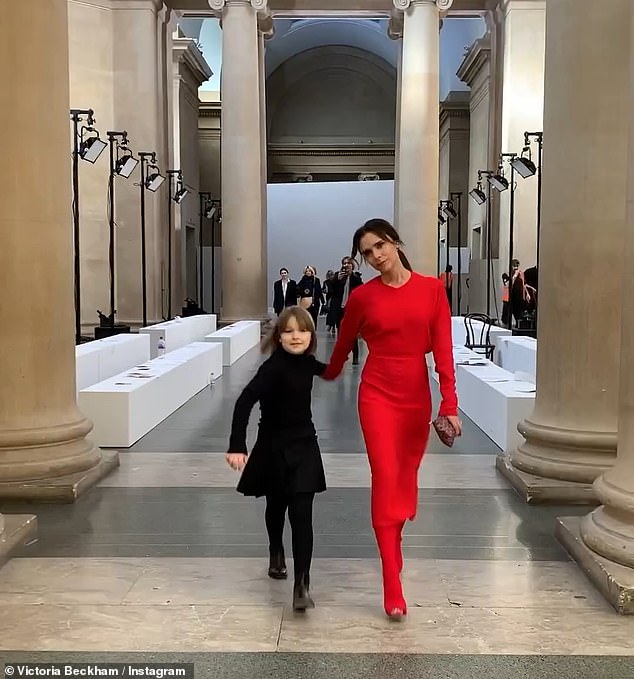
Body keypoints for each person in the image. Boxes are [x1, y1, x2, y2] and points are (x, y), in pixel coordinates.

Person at [322, 219, 461, 620]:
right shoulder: (364, 297)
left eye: (379, 246)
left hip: (416, 396)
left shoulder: (432, 289)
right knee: (384, 476)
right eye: (367, 253)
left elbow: (444, 353)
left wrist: (448, 404)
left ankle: (393, 540)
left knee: (403, 479)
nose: (375, 256)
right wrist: (318, 372)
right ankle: (391, 581)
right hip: (376, 395)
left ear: (395, 242)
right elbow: (344, 345)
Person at [226, 306, 327, 611]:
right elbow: (244, 401)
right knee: (276, 505)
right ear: (279, 336)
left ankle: (302, 584)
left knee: (302, 515)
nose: (296, 336)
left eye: (303, 330)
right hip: (273, 447)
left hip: (304, 446)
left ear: (311, 336)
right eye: (289, 331)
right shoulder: (272, 369)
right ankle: (275, 550)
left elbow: (331, 369)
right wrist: (237, 445)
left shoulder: (308, 364)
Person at [330, 256, 363, 363]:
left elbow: (361, 292)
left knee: (352, 335)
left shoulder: (356, 278)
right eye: (344, 263)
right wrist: (335, 281)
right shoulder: (337, 276)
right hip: (340, 309)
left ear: (352, 265)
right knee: (341, 335)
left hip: (351, 310)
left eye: (348, 263)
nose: (345, 265)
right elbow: (330, 292)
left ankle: (356, 357)